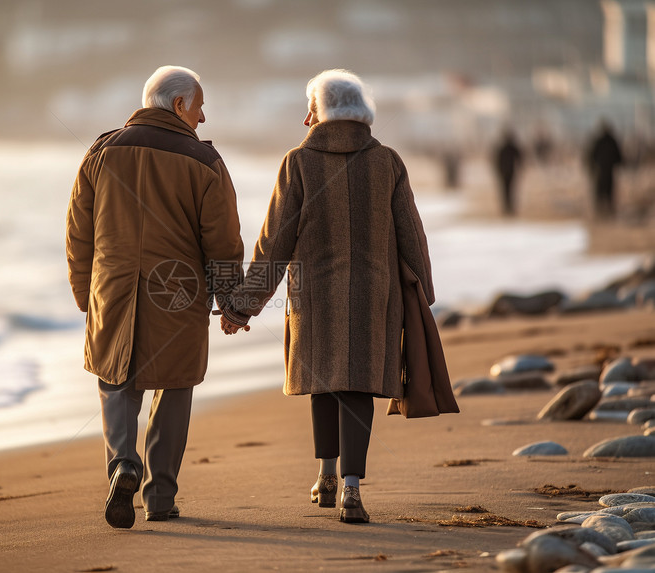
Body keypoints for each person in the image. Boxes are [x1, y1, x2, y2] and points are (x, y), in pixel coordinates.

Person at [219, 69, 434, 524]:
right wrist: (423, 295)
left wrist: (242, 305)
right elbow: (412, 236)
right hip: (376, 295)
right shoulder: (388, 162)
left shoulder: (299, 162)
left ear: (322, 112)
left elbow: (273, 242)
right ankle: (350, 487)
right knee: (357, 383)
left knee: (324, 379)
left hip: (314, 294)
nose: (304, 119)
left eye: (309, 109)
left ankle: (327, 474)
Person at [66, 65, 244, 529]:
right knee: (175, 384)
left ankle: (123, 464)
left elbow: (78, 231)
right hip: (179, 293)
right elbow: (222, 241)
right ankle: (160, 498)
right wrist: (231, 301)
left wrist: (85, 292)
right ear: (180, 105)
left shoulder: (101, 152)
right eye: (200, 106)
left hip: (113, 287)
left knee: (115, 380)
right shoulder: (205, 163)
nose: (203, 118)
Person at [585, 120, 623, 219]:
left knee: (601, 191)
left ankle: (602, 210)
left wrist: (592, 167)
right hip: (608, 170)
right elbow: (619, 157)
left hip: (601, 170)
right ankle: (606, 211)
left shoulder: (599, 141)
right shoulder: (612, 141)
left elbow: (591, 156)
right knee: (608, 191)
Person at [493, 128, 523, 216]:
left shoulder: (504, 148)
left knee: (506, 190)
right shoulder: (509, 147)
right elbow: (520, 158)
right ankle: (508, 207)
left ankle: (507, 207)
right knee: (510, 189)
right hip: (508, 171)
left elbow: (497, 160)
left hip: (505, 172)